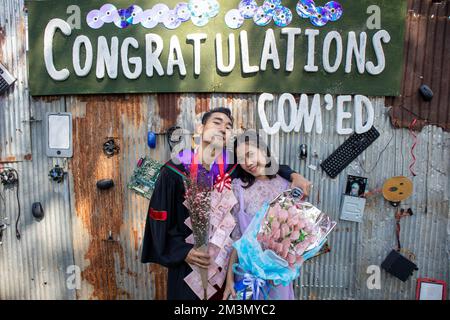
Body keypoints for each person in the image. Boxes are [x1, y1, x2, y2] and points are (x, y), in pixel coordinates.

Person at [141, 108, 311, 300]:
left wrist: (293, 175)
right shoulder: (174, 170)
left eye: (228, 126)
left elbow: (264, 164)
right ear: (200, 128)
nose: (223, 128)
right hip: (189, 266)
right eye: (217, 122)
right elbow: (159, 220)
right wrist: (183, 252)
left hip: (225, 269)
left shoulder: (233, 167)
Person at [223, 131, 295, 300]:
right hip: (248, 275)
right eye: (241, 159)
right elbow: (236, 240)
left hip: (278, 277)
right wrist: (229, 279)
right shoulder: (238, 189)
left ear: (263, 150)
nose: (247, 162)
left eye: (250, 154)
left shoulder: (287, 186)